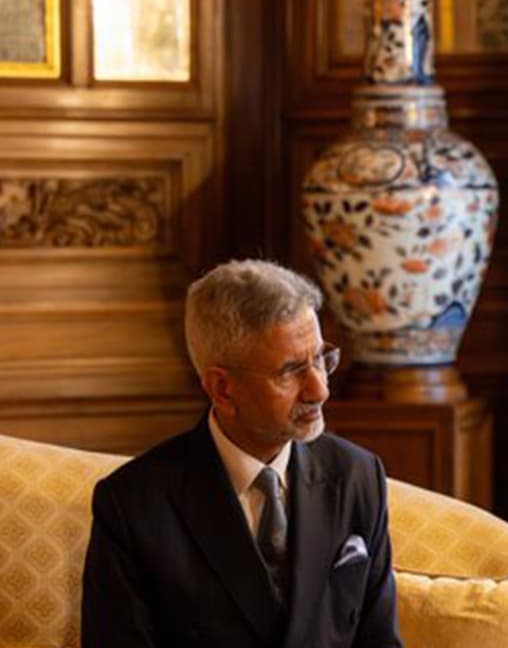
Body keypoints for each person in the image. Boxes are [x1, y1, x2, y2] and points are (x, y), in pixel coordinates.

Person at [81, 259, 401, 648]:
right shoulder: (133, 505)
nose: (319, 390)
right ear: (223, 389)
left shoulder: (357, 476)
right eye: (291, 371)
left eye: (320, 359)